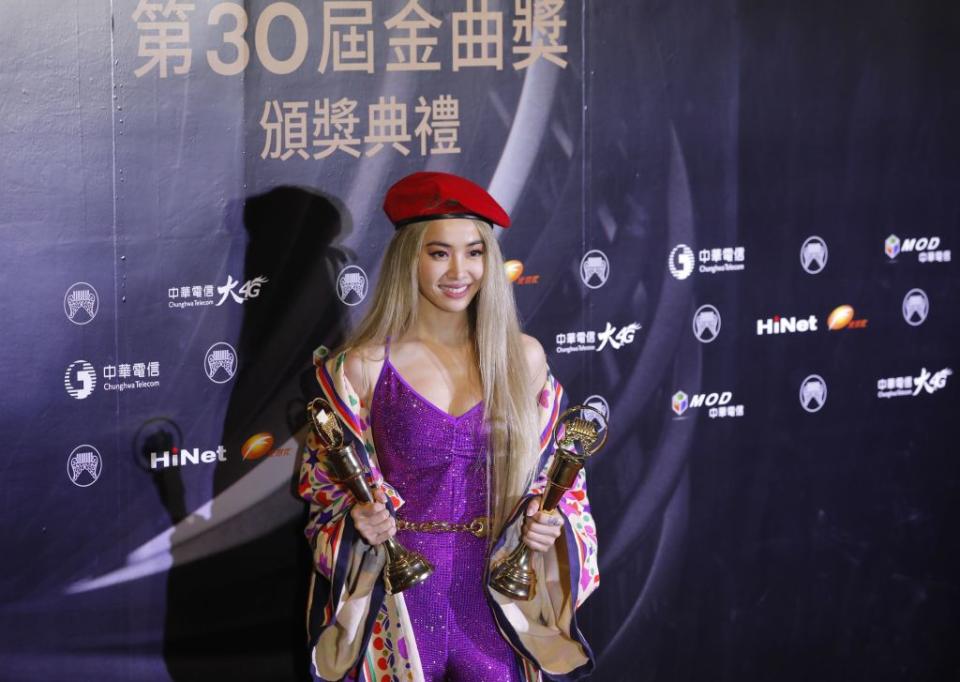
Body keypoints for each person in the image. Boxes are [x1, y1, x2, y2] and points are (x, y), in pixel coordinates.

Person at [299, 172, 598, 681]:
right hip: (397, 604)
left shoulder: (523, 360)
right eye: (439, 253)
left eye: (475, 251)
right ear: (408, 259)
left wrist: (549, 521)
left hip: (497, 603)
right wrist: (356, 520)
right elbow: (324, 488)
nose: (460, 270)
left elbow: (560, 480)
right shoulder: (363, 367)